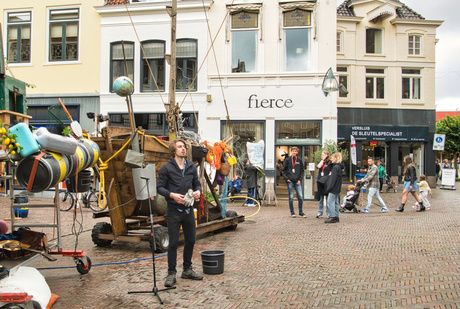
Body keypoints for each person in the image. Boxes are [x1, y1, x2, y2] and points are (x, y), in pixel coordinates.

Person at [157, 139, 203, 287]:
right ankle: (171, 273)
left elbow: (197, 183)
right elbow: (159, 188)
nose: (183, 149)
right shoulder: (166, 168)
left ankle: (187, 269)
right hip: (174, 211)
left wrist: (198, 191)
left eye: (184, 147)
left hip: (188, 210)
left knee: (191, 240)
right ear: (173, 150)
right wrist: (172, 195)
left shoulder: (190, 166)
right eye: (180, 147)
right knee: (174, 243)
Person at [282, 146, 305, 218]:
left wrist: (300, 180)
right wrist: (286, 179)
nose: (294, 152)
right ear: (291, 152)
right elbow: (283, 170)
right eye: (293, 151)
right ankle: (292, 212)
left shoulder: (299, 160)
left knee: (300, 197)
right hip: (290, 181)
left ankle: (300, 212)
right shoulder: (288, 160)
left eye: (295, 151)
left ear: (297, 152)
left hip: (297, 181)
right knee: (291, 197)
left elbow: (302, 171)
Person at [324, 152, 344, 223]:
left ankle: (332, 216)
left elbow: (333, 179)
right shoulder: (339, 167)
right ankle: (336, 215)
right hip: (337, 187)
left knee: (330, 202)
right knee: (336, 202)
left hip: (333, 188)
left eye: (332, 158)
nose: (331, 159)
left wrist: (329, 188)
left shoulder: (335, 168)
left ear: (336, 158)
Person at [316, 151, 332, 218]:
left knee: (327, 198)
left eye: (324, 154)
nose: (322, 155)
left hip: (326, 181)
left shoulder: (329, 163)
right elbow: (318, 166)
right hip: (320, 181)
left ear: (327, 155)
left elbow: (330, 172)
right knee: (321, 198)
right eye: (322, 154)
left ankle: (328, 213)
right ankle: (320, 212)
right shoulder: (321, 162)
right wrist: (322, 160)